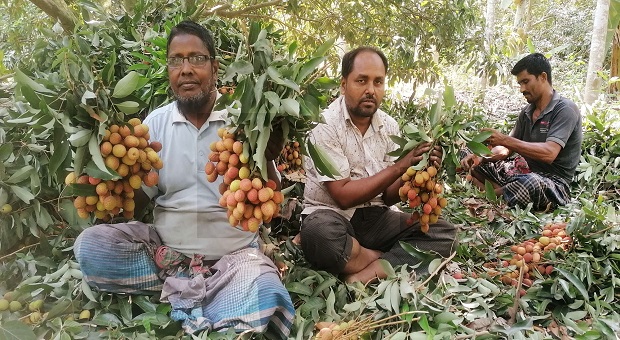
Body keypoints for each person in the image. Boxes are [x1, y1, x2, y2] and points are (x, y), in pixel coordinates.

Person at [73, 20, 294, 338]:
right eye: (176, 60)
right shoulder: (156, 124)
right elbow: (136, 203)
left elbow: (268, 206)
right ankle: (200, 289)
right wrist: (111, 179)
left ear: (215, 68)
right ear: (169, 71)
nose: (186, 69)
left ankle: (207, 289)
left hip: (233, 260)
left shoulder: (241, 121)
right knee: (90, 247)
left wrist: (267, 154)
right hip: (167, 257)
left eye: (196, 58)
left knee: (265, 290)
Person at [299, 46, 457, 284]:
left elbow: (390, 196)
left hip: (376, 218)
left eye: (378, 82)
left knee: (444, 233)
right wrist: (398, 167)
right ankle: (379, 258)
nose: (370, 90)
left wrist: (417, 169)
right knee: (319, 235)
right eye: (361, 81)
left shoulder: (389, 127)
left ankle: (361, 274)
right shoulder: (325, 125)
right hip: (333, 215)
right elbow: (342, 196)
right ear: (343, 84)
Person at [461, 53, 582, 211]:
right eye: (519, 83)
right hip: (521, 173)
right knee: (466, 153)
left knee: (529, 183)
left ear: (543, 77)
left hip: (552, 184)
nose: (522, 89)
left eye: (526, 81)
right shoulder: (526, 113)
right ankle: (502, 191)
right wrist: (480, 158)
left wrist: (504, 139)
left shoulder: (565, 110)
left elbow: (549, 153)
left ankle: (490, 194)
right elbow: (506, 150)